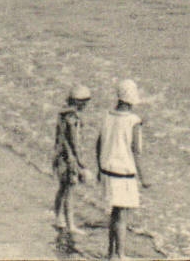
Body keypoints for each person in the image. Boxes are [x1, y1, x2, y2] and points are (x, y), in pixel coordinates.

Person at [95, 79, 148, 260]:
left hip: (107, 170)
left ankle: (111, 253)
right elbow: (137, 151)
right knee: (122, 216)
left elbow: (99, 144)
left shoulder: (107, 116)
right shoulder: (134, 121)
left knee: (114, 214)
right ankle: (121, 254)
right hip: (123, 174)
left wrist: (98, 168)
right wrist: (144, 178)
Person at [53, 84, 91, 235]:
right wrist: (82, 163)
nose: (87, 105)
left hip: (59, 156)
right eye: (86, 101)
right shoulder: (73, 118)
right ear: (79, 102)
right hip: (69, 159)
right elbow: (74, 143)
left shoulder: (63, 114)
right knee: (70, 191)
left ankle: (58, 217)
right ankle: (71, 225)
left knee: (62, 189)